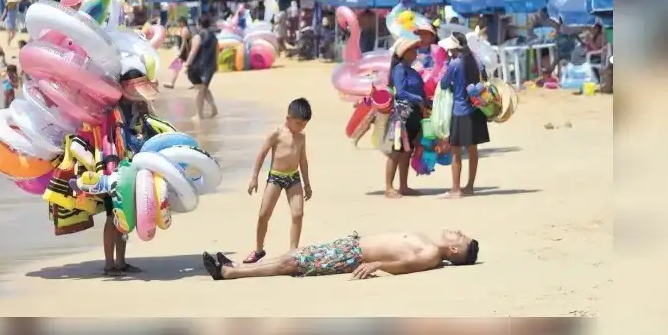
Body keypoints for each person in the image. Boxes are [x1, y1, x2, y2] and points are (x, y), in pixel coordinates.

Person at [202, 229, 479, 280]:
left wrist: (375, 265)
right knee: (296, 254)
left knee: (293, 263)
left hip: (353, 255)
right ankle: (235, 265)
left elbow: (406, 265)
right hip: (352, 245)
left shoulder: (431, 253)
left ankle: (231, 272)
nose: (456, 231)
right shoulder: (431, 246)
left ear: (454, 250)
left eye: (460, 236)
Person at [243, 98, 313, 263]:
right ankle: (259, 250)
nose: (302, 127)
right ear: (288, 119)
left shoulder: (301, 136)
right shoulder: (277, 133)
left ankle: (293, 250)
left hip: (294, 178)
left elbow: (303, 160)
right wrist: (254, 177)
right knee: (264, 214)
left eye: (304, 124)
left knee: (298, 214)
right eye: (298, 123)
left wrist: (307, 184)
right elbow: (262, 153)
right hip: (275, 177)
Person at [437, 32, 489, 197]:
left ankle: (456, 189)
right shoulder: (476, 60)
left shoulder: (455, 64)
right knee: (473, 149)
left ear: (453, 48)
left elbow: (444, 84)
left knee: (456, 151)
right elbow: (485, 77)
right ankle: (470, 186)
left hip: (460, 110)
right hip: (477, 109)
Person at [384, 38, 429, 198]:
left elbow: (421, 92)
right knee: (396, 152)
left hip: (414, 115)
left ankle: (403, 186)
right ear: (404, 53)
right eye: (412, 49)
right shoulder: (399, 70)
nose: (415, 51)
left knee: (406, 152)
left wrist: (428, 102)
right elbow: (401, 92)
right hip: (401, 115)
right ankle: (389, 187)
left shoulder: (413, 71)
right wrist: (419, 99)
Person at [184, 14, 219, 120]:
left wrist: (187, 64)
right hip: (210, 66)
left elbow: (194, 51)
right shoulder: (214, 37)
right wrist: (216, 64)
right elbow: (217, 51)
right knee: (203, 88)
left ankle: (199, 115)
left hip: (198, 67)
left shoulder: (198, 36)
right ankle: (213, 108)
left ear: (199, 24)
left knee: (199, 90)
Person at [163, 17, 193, 89]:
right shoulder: (185, 29)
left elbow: (184, 43)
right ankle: (172, 83)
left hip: (185, 52)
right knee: (179, 68)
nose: (178, 24)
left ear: (182, 22)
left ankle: (195, 83)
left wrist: (181, 53)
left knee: (179, 67)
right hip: (186, 52)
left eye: (179, 22)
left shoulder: (184, 30)